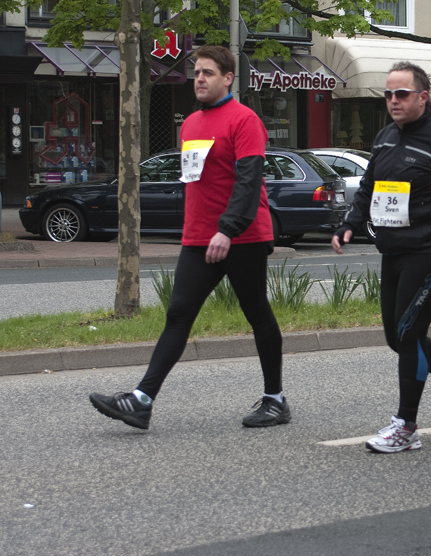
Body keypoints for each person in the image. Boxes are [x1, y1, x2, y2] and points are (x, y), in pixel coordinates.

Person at [89, 45, 288, 429]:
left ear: (228, 78)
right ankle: (141, 400)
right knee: (179, 312)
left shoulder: (245, 121)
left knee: (256, 313)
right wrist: (200, 229)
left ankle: (275, 399)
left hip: (242, 235)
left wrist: (227, 230)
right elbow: (196, 182)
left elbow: (248, 184)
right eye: (196, 72)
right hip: (199, 237)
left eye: (208, 73)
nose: (199, 78)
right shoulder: (191, 124)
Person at [332, 61, 431, 453]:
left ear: (423, 97)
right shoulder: (385, 137)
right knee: (397, 337)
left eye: (402, 94)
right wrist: (349, 224)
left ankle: (406, 426)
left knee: (408, 333)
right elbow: (370, 186)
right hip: (393, 250)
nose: (393, 100)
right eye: (389, 94)